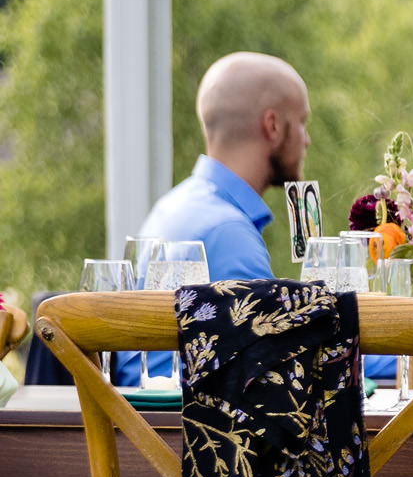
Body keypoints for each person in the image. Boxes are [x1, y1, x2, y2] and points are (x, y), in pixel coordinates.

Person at [113, 54, 395, 387]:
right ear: (273, 126)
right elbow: (299, 358)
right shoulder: (227, 232)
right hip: (182, 430)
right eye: (301, 122)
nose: (306, 139)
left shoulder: (173, 207)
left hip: (149, 424)